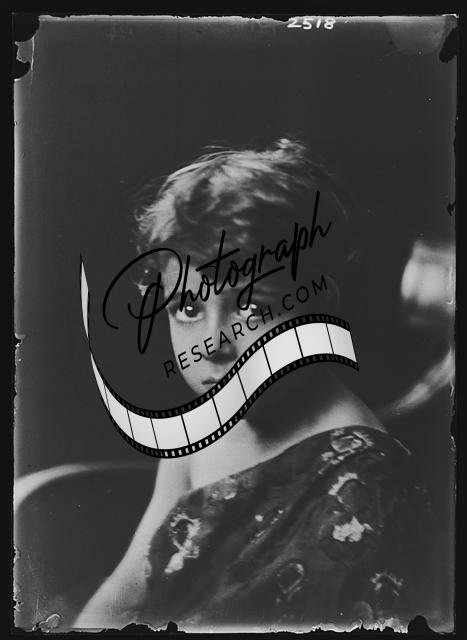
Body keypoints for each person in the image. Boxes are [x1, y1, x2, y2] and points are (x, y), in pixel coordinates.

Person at [74, 139, 435, 631]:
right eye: (188, 308)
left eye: (253, 307)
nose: (213, 342)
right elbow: (129, 587)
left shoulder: (366, 481)